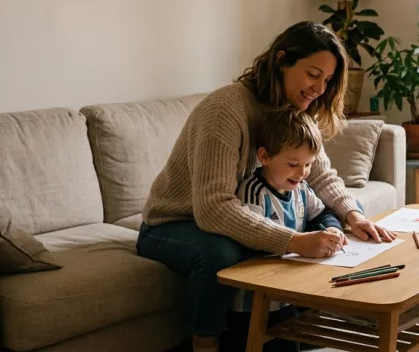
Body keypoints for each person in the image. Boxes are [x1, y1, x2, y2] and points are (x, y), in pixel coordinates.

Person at [136, 21, 397, 352]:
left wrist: (353, 215)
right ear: (282, 61)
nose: (320, 88)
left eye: (328, 80)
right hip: (174, 223)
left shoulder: (296, 109)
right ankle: (205, 343)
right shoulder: (225, 110)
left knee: (318, 223)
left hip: (233, 213)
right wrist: (293, 241)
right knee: (223, 253)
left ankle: (296, 329)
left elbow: (320, 174)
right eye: (313, 74)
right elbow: (213, 208)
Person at [226, 109, 342, 352]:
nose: (302, 173)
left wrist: (332, 229)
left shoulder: (301, 188)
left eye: (308, 164)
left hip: (287, 292)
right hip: (254, 301)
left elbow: (322, 214)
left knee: (292, 343)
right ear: (264, 156)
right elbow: (252, 239)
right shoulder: (254, 192)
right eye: (293, 164)